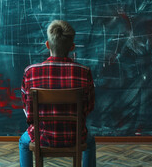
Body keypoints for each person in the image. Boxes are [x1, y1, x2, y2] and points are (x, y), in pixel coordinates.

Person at [19, 20, 96, 167]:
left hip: (41, 136)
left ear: (47, 45)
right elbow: (88, 107)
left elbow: (28, 112)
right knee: (90, 142)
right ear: (72, 47)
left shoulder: (30, 72)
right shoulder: (84, 72)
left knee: (23, 143)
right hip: (75, 136)